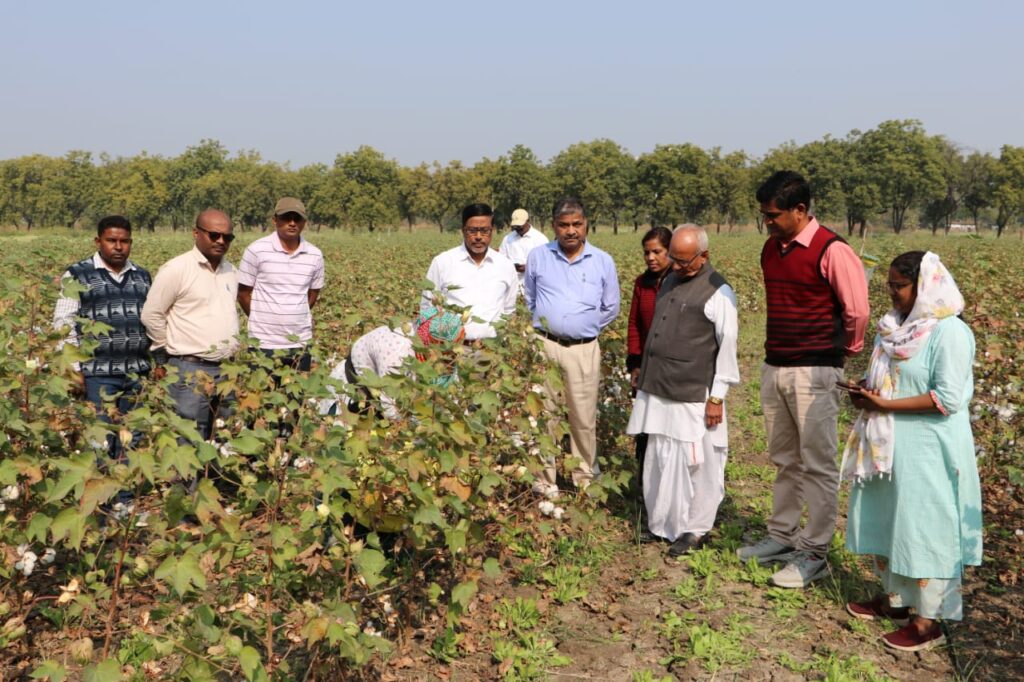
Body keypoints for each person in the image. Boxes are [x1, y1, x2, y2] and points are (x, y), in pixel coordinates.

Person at [840, 251, 981, 652]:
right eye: (889, 285)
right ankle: (897, 601)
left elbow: (948, 398)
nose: (892, 293)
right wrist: (866, 392)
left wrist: (884, 405)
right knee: (893, 518)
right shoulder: (894, 328)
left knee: (926, 526)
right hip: (892, 442)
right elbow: (891, 380)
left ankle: (927, 622)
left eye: (899, 286)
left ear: (924, 287)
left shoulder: (948, 332)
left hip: (930, 448)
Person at [737, 171, 870, 589]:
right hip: (775, 365)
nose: (767, 223)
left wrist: (842, 352)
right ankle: (781, 535)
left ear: (800, 210)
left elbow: (857, 311)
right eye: (763, 216)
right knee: (784, 459)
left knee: (817, 464)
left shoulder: (832, 250)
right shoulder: (771, 249)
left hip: (815, 370)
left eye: (773, 215)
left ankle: (813, 549)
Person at [626, 226, 739, 556]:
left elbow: (727, 350)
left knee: (697, 463)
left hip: (694, 391)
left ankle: (694, 529)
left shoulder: (719, 292)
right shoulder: (670, 279)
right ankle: (661, 524)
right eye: (672, 258)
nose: (675, 266)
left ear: (704, 257)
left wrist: (717, 397)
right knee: (660, 457)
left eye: (684, 261)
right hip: (659, 386)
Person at [524, 197, 620, 494]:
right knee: (543, 416)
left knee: (583, 417)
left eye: (576, 224)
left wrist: (583, 326)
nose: (570, 231)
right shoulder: (538, 256)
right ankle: (544, 483)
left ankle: (583, 480)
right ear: (553, 226)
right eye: (564, 225)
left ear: (586, 224)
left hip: (583, 349)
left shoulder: (602, 260)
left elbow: (610, 307)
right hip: (545, 346)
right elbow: (530, 299)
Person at [52, 215, 152, 459]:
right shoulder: (77, 274)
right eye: (112, 240)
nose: (118, 247)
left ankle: (125, 496)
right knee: (101, 438)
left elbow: (153, 321)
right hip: (97, 373)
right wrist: (74, 370)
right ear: (98, 241)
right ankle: (103, 495)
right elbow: (64, 324)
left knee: (132, 436)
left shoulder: (143, 276)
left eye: (125, 241)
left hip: (136, 372)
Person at [141, 209, 240, 440]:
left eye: (228, 237)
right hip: (190, 369)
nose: (221, 241)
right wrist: (166, 352)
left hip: (227, 370)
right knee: (188, 438)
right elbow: (152, 314)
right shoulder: (177, 269)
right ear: (196, 233)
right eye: (214, 235)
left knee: (225, 436)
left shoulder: (232, 271)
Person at [319, 306, 466, 419]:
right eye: (446, 348)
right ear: (433, 342)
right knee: (339, 445)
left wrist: (460, 416)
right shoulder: (397, 349)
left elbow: (452, 384)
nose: (451, 353)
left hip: (380, 401)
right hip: (351, 394)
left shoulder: (431, 342)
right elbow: (391, 406)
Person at [237, 197, 324, 370]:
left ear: (304, 222)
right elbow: (243, 293)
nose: (292, 223)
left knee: (296, 395)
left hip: (299, 342)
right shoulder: (256, 250)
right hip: (263, 342)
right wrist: (262, 319)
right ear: (275, 220)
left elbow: (312, 294)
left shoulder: (315, 255)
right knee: (263, 395)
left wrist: (294, 317)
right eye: (286, 217)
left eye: (297, 218)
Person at [423, 203, 518, 341]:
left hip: (495, 349)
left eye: (485, 230)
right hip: (452, 349)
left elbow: (509, 310)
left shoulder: (505, 265)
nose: (478, 236)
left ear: (492, 230)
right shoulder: (443, 262)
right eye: (472, 230)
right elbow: (427, 308)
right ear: (463, 230)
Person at [626, 226, 674, 485]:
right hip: (646, 364)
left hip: (672, 368)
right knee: (646, 424)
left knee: (668, 424)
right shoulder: (641, 284)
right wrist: (634, 363)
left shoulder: (679, 283)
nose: (651, 258)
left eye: (657, 251)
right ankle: (646, 481)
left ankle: (668, 480)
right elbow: (634, 324)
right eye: (647, 253)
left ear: (671, 251)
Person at [499, 208, 549, 289]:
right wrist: (512, 267)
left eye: (520, 225)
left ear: (527, 221)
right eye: (515, 226)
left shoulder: (540, 239)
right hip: (513, 285)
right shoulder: (508, 239)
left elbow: (547, 263)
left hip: (534, 285)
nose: (518, 228)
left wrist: (529, 267)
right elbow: (501, 260)